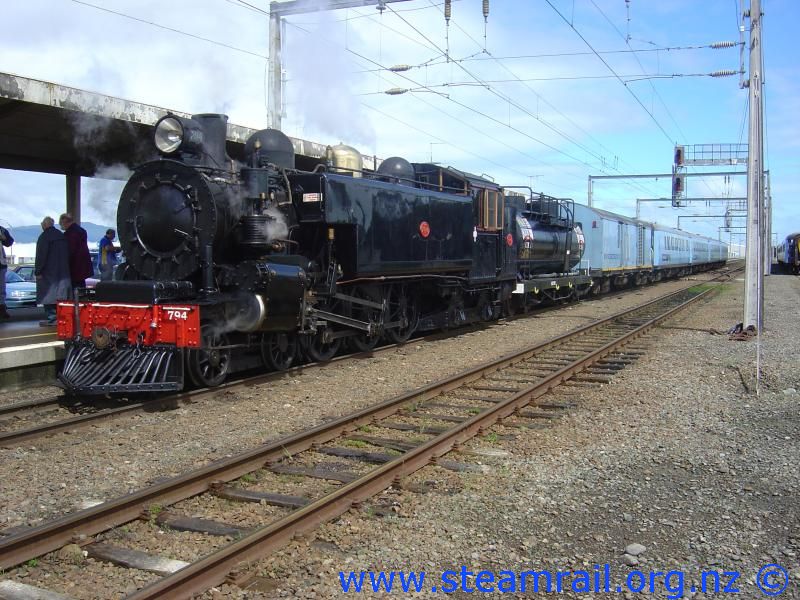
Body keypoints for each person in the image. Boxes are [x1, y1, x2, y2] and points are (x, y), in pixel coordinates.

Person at [35, 216, 72, 327]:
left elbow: (41, 256)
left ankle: (52, 318)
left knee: (48, 295)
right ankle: (61, 317)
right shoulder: (61, 236)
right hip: (63, 271)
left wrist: (38, 271)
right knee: (61, 295)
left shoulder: (44, 237)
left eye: (42, 223)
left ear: (45, 225)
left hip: (49, 272)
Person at [59, 213, 94, 288]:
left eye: (61, 224)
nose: (61, 227)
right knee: (81, 286)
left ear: (65, 222)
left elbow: (70, 251)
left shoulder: (70, 234)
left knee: (75, 288)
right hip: (83, 264)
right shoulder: (81, 230)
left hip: (74, 266)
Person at [0, 224, 14, 320]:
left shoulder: (1, 229)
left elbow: (9, 242)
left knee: (1, 289)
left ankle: (2, 310)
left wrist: (3, 238)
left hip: (1, 264)